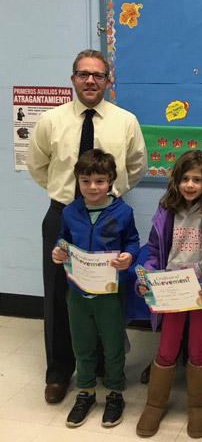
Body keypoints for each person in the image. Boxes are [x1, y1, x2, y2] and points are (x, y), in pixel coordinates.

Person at [26, 49, 147, 404]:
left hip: (110, 216)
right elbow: (38, 166)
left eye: (97, 75)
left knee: (106, 293)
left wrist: (108, 195)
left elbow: (136, 166)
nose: (90, 80)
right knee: (62, 294)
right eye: (83, 74)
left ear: (108, 81)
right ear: (73, 79)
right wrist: (69, 197)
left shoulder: (125, 120)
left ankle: (103, 369)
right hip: (64, 213)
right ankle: (59, 371)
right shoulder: (51, 120)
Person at [135, 150, 202, 439]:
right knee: (166, 349)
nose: (190, 185)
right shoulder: (166, 209)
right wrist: (147, 280)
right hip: (170, 293)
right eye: (185, 179)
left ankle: (197, 405)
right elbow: (154, 254)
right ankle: (155, 404)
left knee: (198, 349)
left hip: (201, 295)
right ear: (175, 181)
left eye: (197, 179)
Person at [52, 149, 140, 427]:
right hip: (77, 291)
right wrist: (58, 251)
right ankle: (86, 392)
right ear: (77, 181)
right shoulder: (69, 211)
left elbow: (132, 242)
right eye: (86, 181)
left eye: (100, 181)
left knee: (113, 346)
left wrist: (129, 256)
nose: (93, 187)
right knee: (83, 345)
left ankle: (114, 393)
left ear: (111, 181)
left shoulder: (123, 211)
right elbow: (63, 241)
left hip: (110, 292)